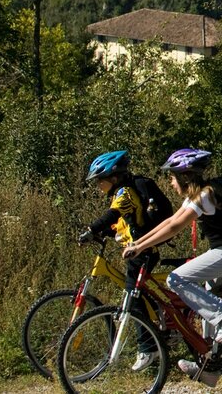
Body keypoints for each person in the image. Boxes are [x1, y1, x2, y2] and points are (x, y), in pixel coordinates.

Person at [122, 148, 222, 388]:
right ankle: (210, 368)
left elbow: (175, 228)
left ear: (185, 176)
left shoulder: (204, 196)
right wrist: (138, 243)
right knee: (207, 303)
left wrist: (140, 248)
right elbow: (168, 221)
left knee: (176, 280)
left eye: (172, 177)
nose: (170, 182)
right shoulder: (197, 196)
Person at [79, 150, 161, 371]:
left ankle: (148, 348)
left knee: (132, 297)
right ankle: (157, 330)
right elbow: (123, 221)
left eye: (99, 181)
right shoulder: (123, 192)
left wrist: (92, 229)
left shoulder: (125, 192)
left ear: (113, 178)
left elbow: (113, 214)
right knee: (137, 294)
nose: (98, 186)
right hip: (136, 249)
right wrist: (102, 232)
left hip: (142, 250)